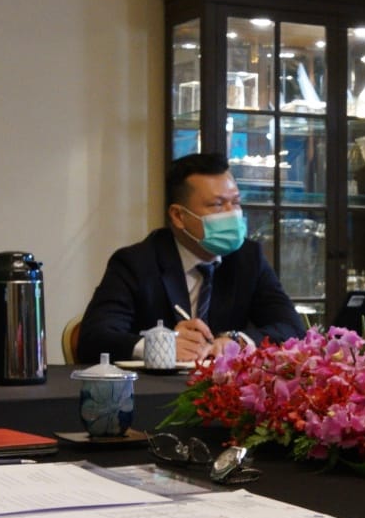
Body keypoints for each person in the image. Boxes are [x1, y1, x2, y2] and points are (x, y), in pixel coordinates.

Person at [76, 151, 303, 364]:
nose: (232, 214)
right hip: (153, 389)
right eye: (217, 205)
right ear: (178, 216)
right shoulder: (135, 263)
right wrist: (159, 346)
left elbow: (292, 329)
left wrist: (237, 341)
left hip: (224, 388)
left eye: (235, 202)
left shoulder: (248, 258)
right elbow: (93, 338)